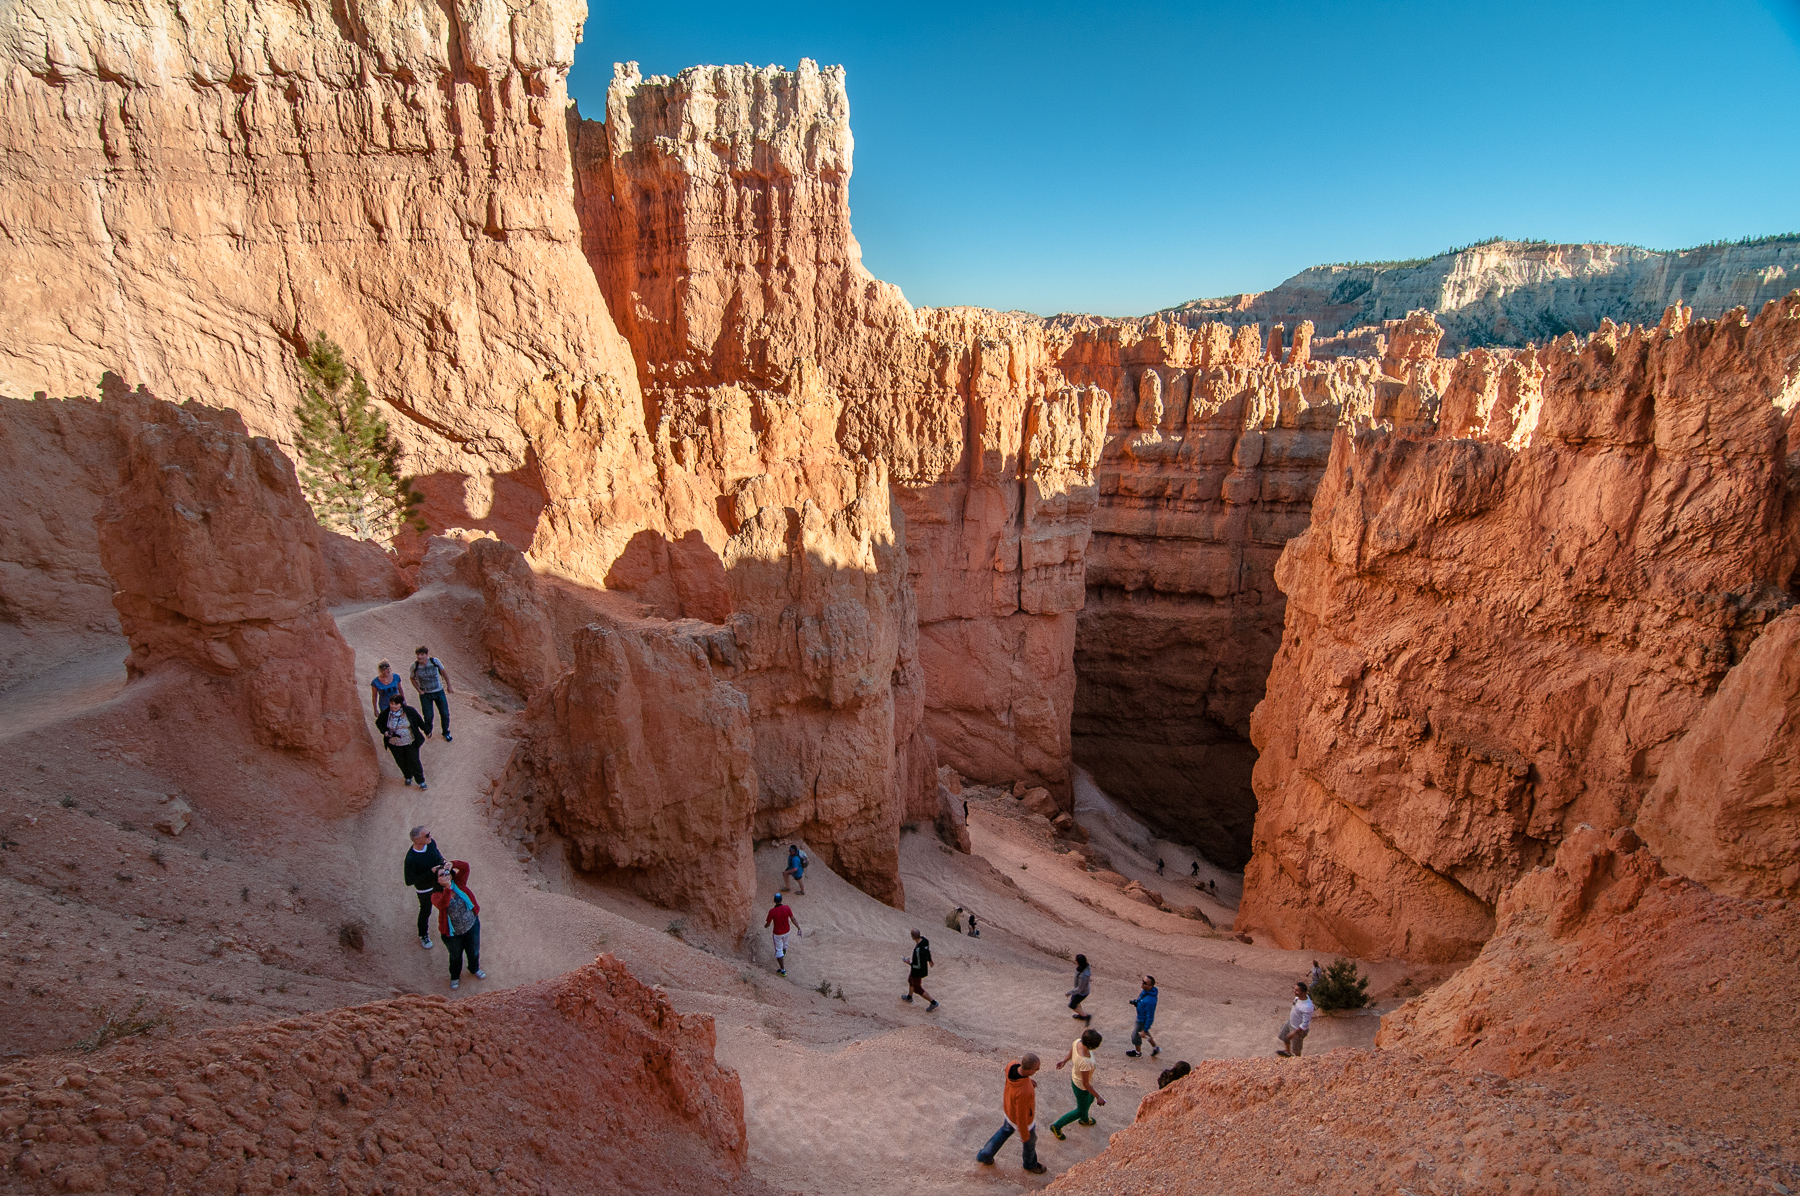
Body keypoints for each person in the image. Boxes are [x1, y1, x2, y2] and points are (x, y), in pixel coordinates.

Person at [975, 1053, 1046, 1173]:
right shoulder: (1024, 1091)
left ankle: (984, 1155)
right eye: (1036, 1069)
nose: (1037, 1070)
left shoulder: (1011, 1065)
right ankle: (1030, 1164)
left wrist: (1028, 1081)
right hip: (1023, 1120)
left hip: (1009, 1109)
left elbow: (1020, 1077)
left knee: (1004, 1132)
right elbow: (1021, 1116)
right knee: (1030, 1142)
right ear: (1029, 1070)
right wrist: (1025, 1135)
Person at [431, 860, 485, 990]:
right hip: (453, 934)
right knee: (455, 956)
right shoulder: (435, 895)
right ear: (437, 880)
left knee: (474, 951)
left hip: (471, 925)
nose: (445, 875)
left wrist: (452, 864)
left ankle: (474, 968)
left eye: (446, 872)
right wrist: (448, 888)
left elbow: (466, 867)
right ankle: (455, 976)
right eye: (441, 875)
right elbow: (442, 904)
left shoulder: (459, 883)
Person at [1049, 1029, 1106, 1139]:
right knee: (1080, 1110)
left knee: (1089, 1100)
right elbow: (1085, 1084)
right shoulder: (1085, 1062)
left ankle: (1084, 1119)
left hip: (1077, 1080)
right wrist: (1099, 1097)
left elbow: (1071, 1052)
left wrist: (1064, 1060)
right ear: (1091, 1046)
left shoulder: (1078, 1042)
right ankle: (1057, 1126)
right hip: (1081, 1087)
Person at [403, 826, 444, 949]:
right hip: (424, 888)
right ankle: (423, 935)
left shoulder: (431, 844)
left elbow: (437, 856)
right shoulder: (411, 859)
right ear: (418, 841)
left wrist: (443, 862)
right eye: (427, 835)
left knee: (446, 902)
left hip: (437, 881)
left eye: (429, 833)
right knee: (426, 911)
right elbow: (409, 881)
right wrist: (430, 872)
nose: (430, 836)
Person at [381, 693, 428, 789]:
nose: (393, 706)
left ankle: (420, 781)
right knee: (401, 761)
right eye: (391, 703)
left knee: (414, 761)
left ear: (401, 704)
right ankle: (408, 776)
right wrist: (385, 732)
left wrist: (426, 731)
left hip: (409, 741)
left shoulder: (410, 711)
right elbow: (379, 723)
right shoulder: (386, 713)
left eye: (396, 704)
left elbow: (419, 721)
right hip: (394, 743)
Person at [410, 646, 454, 742]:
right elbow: (412, 678)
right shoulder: (414, 666)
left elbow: (443, 672)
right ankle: (428, 730)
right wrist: (419, 690)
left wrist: (449, 685)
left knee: (445, 714)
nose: (420, 657)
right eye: (418, 654)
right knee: (428, 715)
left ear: (426, 655)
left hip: (438, 691)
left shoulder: (435, 661)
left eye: (422, 654)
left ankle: (446, 732)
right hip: (425, 694)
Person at [765, 893, 801, 976]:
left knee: (778, 950)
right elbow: (793, 919)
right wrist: (798, 927)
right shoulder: (787, 908)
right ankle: (784, 954)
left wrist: (765, 926)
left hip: (777, 933)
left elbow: (768, 923)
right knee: (785, 944)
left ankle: (783, 970)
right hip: (787, 931)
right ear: (781, 899)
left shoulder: (772, 911)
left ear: (774, 900)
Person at [1124, 974, 1160, 1057]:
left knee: (1135, 1037)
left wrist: (1145, 1029)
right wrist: (1136, 1002)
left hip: (1141, 1020)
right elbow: (1141, 999)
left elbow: (1150, 1016)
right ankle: (1155, 1048)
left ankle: (1137, 1053)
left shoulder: (1150, 1001)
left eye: (1145, 983)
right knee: (1146, 1034)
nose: (1142, 983)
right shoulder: (1147, 991)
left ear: (1150, 986)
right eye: (1142, 981)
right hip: (1141, 1018)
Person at [902, 929, 937, 1012]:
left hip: (918, 970)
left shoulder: (918, 950)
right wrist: (930, 960)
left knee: (917, 988)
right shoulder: (925, 941)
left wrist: (909, 963)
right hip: (922, 968)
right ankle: (909, 997)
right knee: (910, 979)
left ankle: (933, 1002)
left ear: (913, 937)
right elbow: (927, 951)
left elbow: (917, 965)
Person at [1278, 981, 1315, 1057]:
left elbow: (1305, 1025)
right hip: (1290, 1022)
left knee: (1296, 1049)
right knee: (1284, 1036)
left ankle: (1298, 1062)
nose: (1294, 992)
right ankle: (1288, 1052)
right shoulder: (1298, 998)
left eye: (1297, 990)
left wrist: (1294, 1033)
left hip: (1298, 1029)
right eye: (1294, 989)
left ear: (1303, 992)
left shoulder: (1307, 1007)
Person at [1067, 954, 1092, 1022]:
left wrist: (1069, 992)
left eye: (1076, 960)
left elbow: (1079, 989)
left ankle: (1084, 1016)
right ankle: (1081, 1013)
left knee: (1072, 1005)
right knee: (1076, 1002)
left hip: (1081, 993)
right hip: (1080, 991)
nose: (1075, 961)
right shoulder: (1085, 967)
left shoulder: (1083, 976)